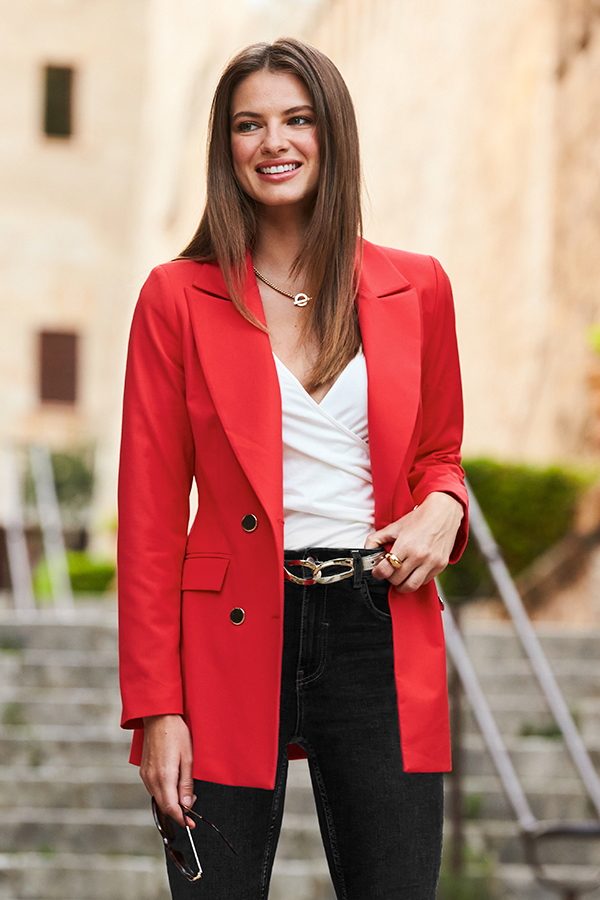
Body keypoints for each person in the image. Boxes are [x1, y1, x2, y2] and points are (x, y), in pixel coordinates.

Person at [118, 37, 468, 900]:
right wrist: (156, 710)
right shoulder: (177, 297)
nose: (274, 142)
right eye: (249, 124)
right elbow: (150, 519)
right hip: (228, 635)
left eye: (296, 118)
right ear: (226, 147)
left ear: (330, 133)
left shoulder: (417, 288)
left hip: (379, 622)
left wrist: (446, 508)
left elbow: (440, 457)